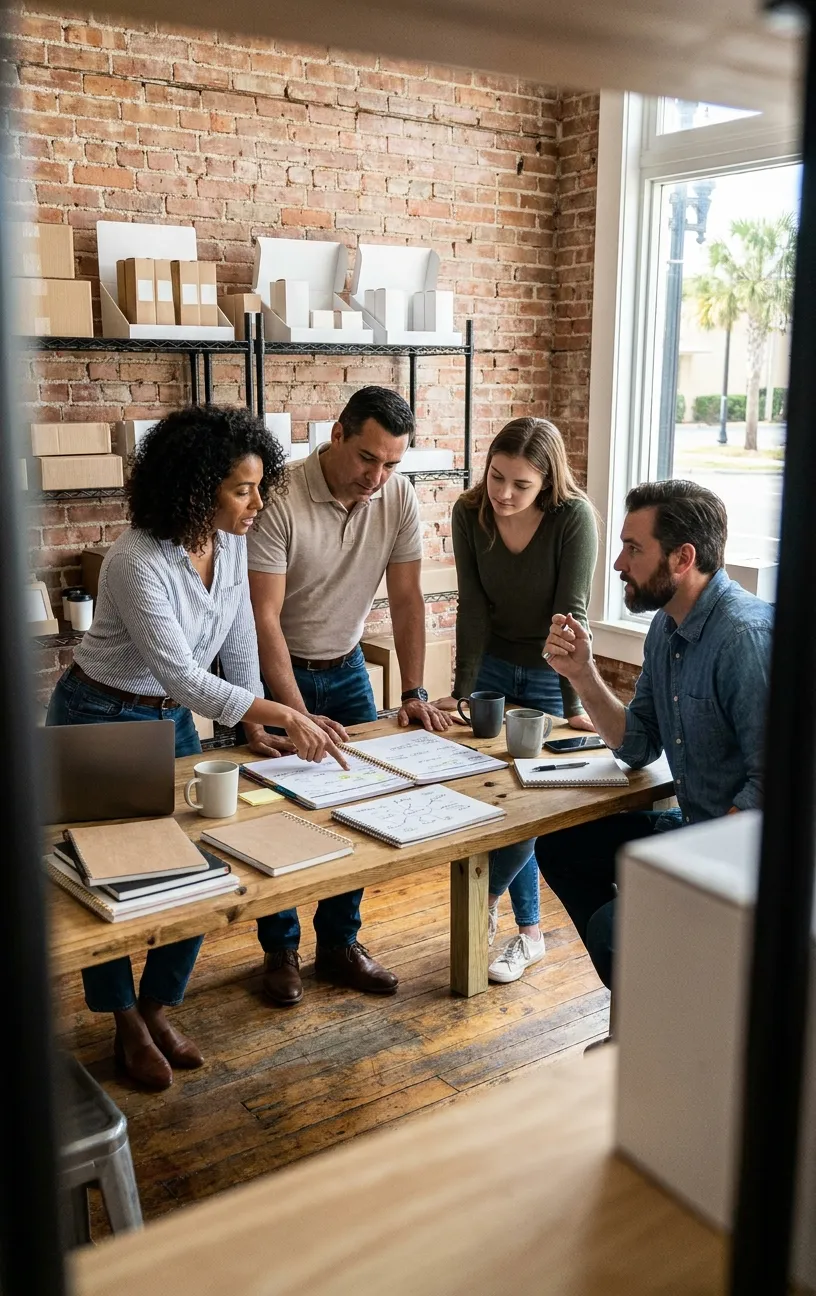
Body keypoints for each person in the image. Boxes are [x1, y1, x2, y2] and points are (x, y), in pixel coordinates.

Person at [46, 406, 345, 1090]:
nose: (256, 502)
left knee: (201, 867)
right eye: (242, 489)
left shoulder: (231, 541)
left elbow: (237, 636)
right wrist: (282, 713)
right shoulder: (135, 560)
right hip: (96, 718)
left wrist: (251, 724)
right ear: (196, 486)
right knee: (110, 880)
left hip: (172, 718)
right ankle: (124, 1022)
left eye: (260, 486)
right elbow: (181, 670)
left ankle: (156, 1007)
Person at [247, 385, 452, 1007]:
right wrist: (295, 714)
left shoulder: (398, 495)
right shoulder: (279, 496)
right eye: (369, 458)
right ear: (336, 434)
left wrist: (415, 689)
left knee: (366, 805)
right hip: (273, 675)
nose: (378, 476)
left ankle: (339, 944)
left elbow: (410, 599)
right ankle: (280, 950)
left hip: (348, 670)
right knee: (274, 814)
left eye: (392, 463)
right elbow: (264, 617)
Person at [537, 478, 772, 994]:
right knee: (561, 847)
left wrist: (694, 867)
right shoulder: (668, 627)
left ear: (682, 558)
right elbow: (639, 743)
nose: (619, 563)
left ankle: (677, 1028)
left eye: (633, 548)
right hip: (695, 829)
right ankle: (664, 1006)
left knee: (614, 930)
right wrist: (582, 673)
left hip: (745, 857)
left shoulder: (745, 639)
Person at [434, 417, 599, 984]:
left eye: (520, 485)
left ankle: (486, 899)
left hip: (552, 671)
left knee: (539, 801)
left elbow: (570, 613)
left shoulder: (573, 518)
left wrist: (574, 700)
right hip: (494, 670)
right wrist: (463, 689)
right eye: (496, 476)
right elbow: (473, 605)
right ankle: (528, 934)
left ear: (548, 481)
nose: (503, 494)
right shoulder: (469, 511)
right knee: (500, 800)